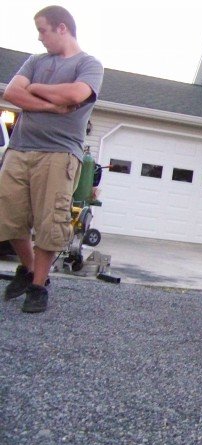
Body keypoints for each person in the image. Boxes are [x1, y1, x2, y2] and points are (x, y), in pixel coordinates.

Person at [0, 6, 104, 313]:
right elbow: (12, 94)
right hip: (19, 149)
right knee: (8, 216)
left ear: (62, 28)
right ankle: (31, 268)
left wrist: (33, 88)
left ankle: (38, 286)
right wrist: (50, 105)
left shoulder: (88, 64)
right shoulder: (35, 61)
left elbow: (74, 95)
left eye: (42, 30)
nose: (39, 37)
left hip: (60, 153)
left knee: (51, 222)